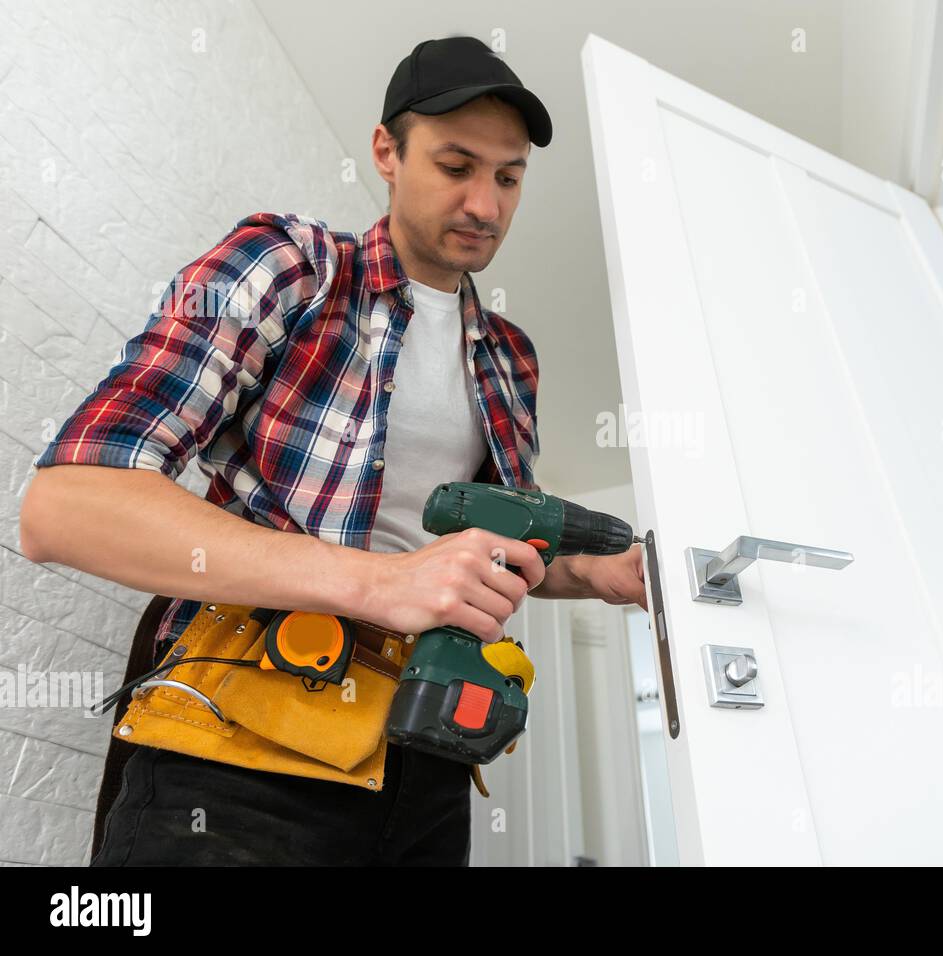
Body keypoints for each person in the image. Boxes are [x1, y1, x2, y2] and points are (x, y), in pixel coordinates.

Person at [19, 35, 647, 866]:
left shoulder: (509, 356)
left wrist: (592, 573)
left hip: (427, 750)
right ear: (386, 151)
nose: (486, 206)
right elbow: (65, 507)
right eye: (457, 165)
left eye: (508, 176)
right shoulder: (292, 267)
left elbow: (488, 550)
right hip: (245, 734)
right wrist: (382, 584)